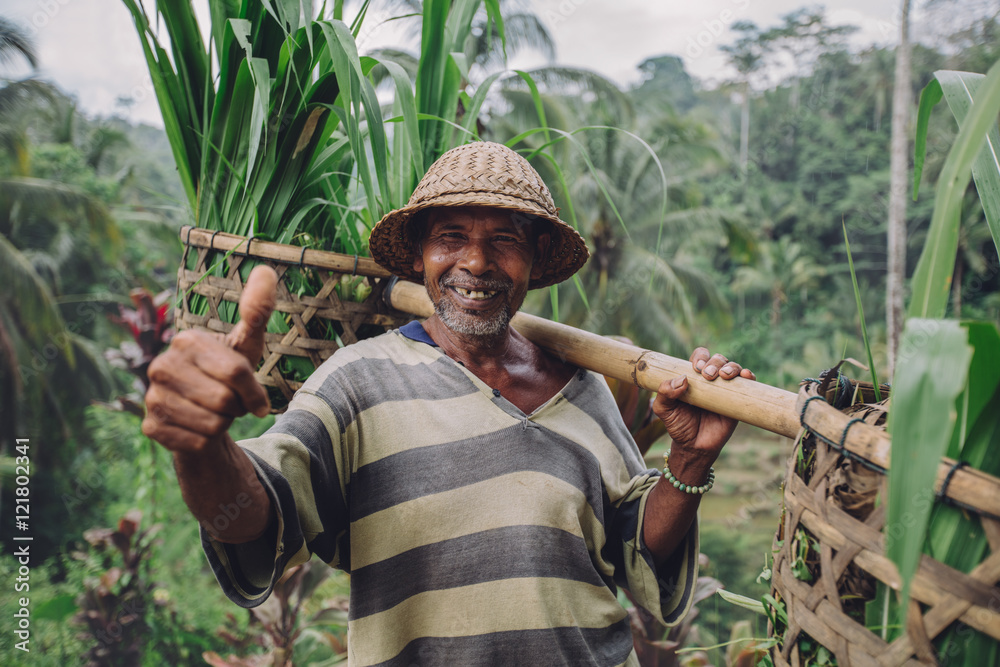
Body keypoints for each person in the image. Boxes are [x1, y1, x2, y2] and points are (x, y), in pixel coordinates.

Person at [142, 141, 755, 666]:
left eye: (505, 241)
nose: (477, 263)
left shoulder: (584, 387)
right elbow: (256, 518)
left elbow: (634, 550)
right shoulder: (358, 382)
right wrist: (201, 448)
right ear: (418, 257)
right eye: (451, 237)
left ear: (536, 260)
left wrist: (690, 461)